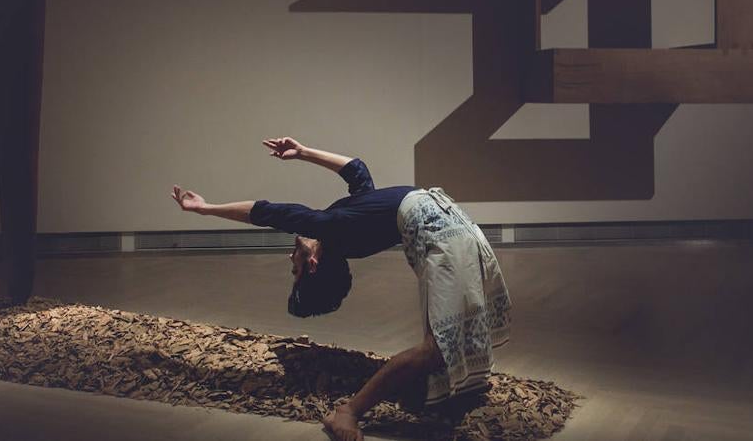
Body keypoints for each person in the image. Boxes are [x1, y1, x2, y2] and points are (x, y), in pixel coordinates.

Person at [170, 137, 512, 441]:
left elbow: (356, 172)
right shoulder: (333, 229)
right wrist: (205, 209)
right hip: (446, 229)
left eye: (293, 267)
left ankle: (447, 389)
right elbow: (266, 212)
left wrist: (303, 152)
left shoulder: (341, 227)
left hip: (448, 224)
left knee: (453, 332)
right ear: (313, 264)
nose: (291, 257)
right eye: (295, 268)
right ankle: (348, 412)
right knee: (436, 347)